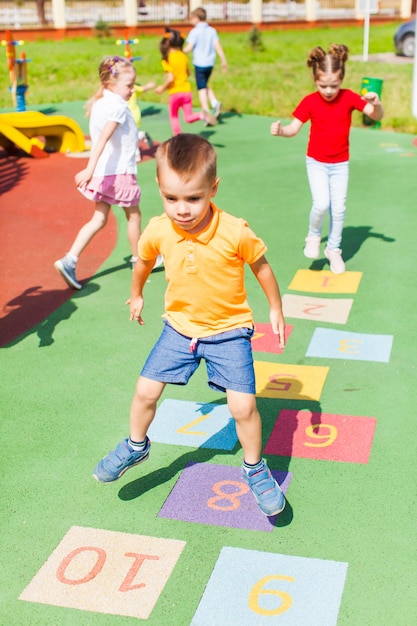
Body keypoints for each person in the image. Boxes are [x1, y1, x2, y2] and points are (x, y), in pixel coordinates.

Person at [93, 133, 287, 518]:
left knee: (243, 405)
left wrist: (276, 307)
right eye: (171, 198)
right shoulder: (159, 229)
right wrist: (137, 293)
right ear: (161, 191)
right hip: (180, 329)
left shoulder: (235, 231)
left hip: (229, 330)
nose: (181, 209)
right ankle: (135, 445)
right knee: (145, 391)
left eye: (193, 198)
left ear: (213, 189)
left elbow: (261, 267)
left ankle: (254, 467)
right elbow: (143, 260)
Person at [271, 44, 383, 274]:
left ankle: (334, 250)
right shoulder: (310, 101)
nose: (329, 91)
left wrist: (376, 102)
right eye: (323, 85)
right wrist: (281, 131)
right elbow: (294, 128)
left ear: (342, 79)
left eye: (335, 85)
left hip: (340, 163)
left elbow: (375, 116)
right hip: (317, 162)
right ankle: (313, 235)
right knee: (322, 204)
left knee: (339, 209)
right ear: (315, 80)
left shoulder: (349, 97)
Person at [55, 56, 144, 289]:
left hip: (106, 173)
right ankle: (139, 259)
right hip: (119, 172)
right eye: (129, 85)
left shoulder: (102, 102)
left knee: (99, 218)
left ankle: (70, 259)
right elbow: (104, 138)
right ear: (111, 84)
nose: (132, 89)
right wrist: (88, 169)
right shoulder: (117, 106)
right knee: (133, 216)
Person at [155, 28, 216, 136]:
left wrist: (162, 88)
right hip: (186, 91)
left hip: (174, 92)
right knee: (188, 117)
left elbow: (170, 78)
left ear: (167, 43)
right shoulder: (183, 56)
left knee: (174, 116)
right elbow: (188, 73)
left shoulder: (167, 59)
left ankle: (178, 138)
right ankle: (202, 116)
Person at [183, 7, 227, 120]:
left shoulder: (194, 32)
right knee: (204, 83)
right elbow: (217, 45)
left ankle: (206, 111)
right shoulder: (212, 30)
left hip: (199, 63)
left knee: (201, 88)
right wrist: (223, 60)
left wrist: (179, 51)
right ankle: (214, 103)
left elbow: (189, 47)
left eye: (191, 18)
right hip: (210, 63)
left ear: (196, 18)